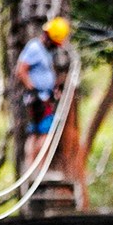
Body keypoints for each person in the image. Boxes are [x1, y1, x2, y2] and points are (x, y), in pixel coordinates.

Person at [16, 16, 72, 167]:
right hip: (37, 98)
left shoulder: (45, 51)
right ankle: (35, 167)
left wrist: (53, 88)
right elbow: (21, 70)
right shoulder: (35, 48)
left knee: (37, 132)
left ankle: (34, 168)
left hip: (44, 96)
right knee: (45, 133)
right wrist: (33, 91)